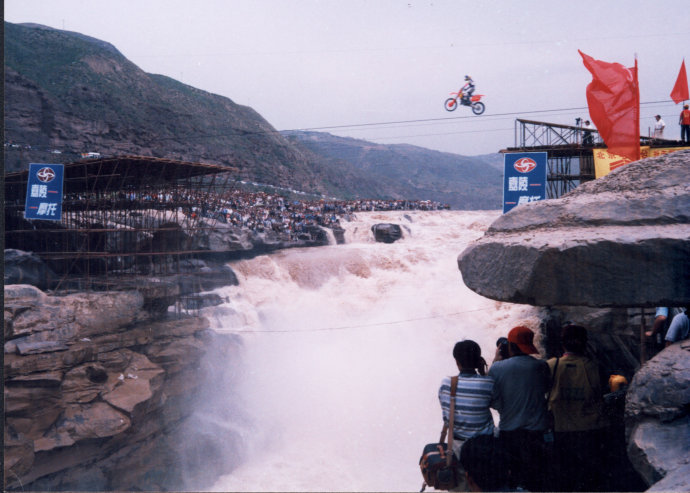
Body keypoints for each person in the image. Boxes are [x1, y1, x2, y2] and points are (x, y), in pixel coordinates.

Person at [489, 326, 551, 491]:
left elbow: (493, 402)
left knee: (514, 480)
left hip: (510, 435)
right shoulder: (542, 366)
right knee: (537, 479)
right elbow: (545, 389)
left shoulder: (497, 368)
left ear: (510, 346)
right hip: (537, 434)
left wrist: (496, 361)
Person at [547, 324, 608, 491]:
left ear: (562, 343)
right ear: (585, 343)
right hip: (591, 430)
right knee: (589, 480)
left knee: (566, 478)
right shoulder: (594, 366)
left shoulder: (551, 365)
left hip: (561, 430)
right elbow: (602, 391)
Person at [438, 340, 495, 491]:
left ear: (457, 361)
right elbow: (496, 404)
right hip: (484, 449)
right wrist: (483, 373)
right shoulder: (488, 383)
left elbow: (446, 415)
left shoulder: (446, 383)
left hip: (456, 448)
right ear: (478, 360)